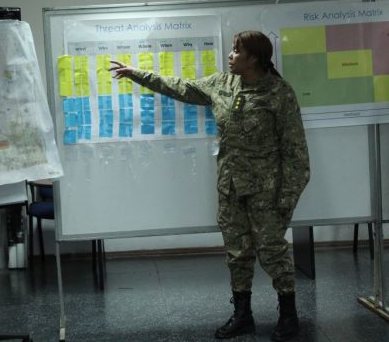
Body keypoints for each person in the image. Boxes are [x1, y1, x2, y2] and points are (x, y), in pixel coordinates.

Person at [109, 30, 310, 342]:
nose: (230, 55)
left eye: (236, 51)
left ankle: (288, 316)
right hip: (230, 188)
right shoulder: (222, 84)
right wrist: (137, 74)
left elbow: (296, 153)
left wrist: (286, 199)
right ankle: (242, 316)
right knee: (237, 253)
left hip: (266, 192)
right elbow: (181, 87)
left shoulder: (279, 93)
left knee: (273, 252)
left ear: (254, 58)